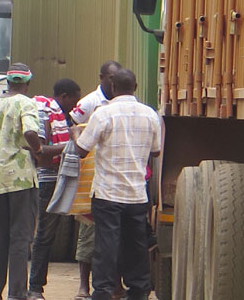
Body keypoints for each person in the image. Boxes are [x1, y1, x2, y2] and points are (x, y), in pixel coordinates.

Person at [74, 69, 162, 300]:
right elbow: (156, 150)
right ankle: (138, 290)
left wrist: (75, 135)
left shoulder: (104, 114)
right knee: (136, 244)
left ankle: (102, 291)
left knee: (106, 245)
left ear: (113, 87)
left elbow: (82, 150)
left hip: (107, 193)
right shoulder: (150, 115)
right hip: (136, 194)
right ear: (136, 86)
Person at [0, 63, 43, 300]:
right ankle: (17, 293)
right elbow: (30, 132)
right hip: (22, 178)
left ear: (8, 82)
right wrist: (38, 150)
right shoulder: (26, 103)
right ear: (26, 83)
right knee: (20, 237)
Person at [70, 60, 120, 299]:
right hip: (92, 175)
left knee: (113, 236)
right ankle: (83, 285)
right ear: (101, 77)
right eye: (110, 78)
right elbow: (73, 131)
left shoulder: (122, 102)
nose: (113, 82)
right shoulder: (89, 103)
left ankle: (115, 284)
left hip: (115, 176)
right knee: (88, 233)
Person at [27, 78, 82, 299]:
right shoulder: (45, 113)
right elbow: (39, 152)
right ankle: (35, 287)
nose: (73, 108)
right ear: (64, 97)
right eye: (72, 102)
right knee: (44, 235)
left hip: (58, 177)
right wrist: (70, 146)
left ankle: (35, 287)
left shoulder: (58, 115)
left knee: (47, 235)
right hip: (47, 179)